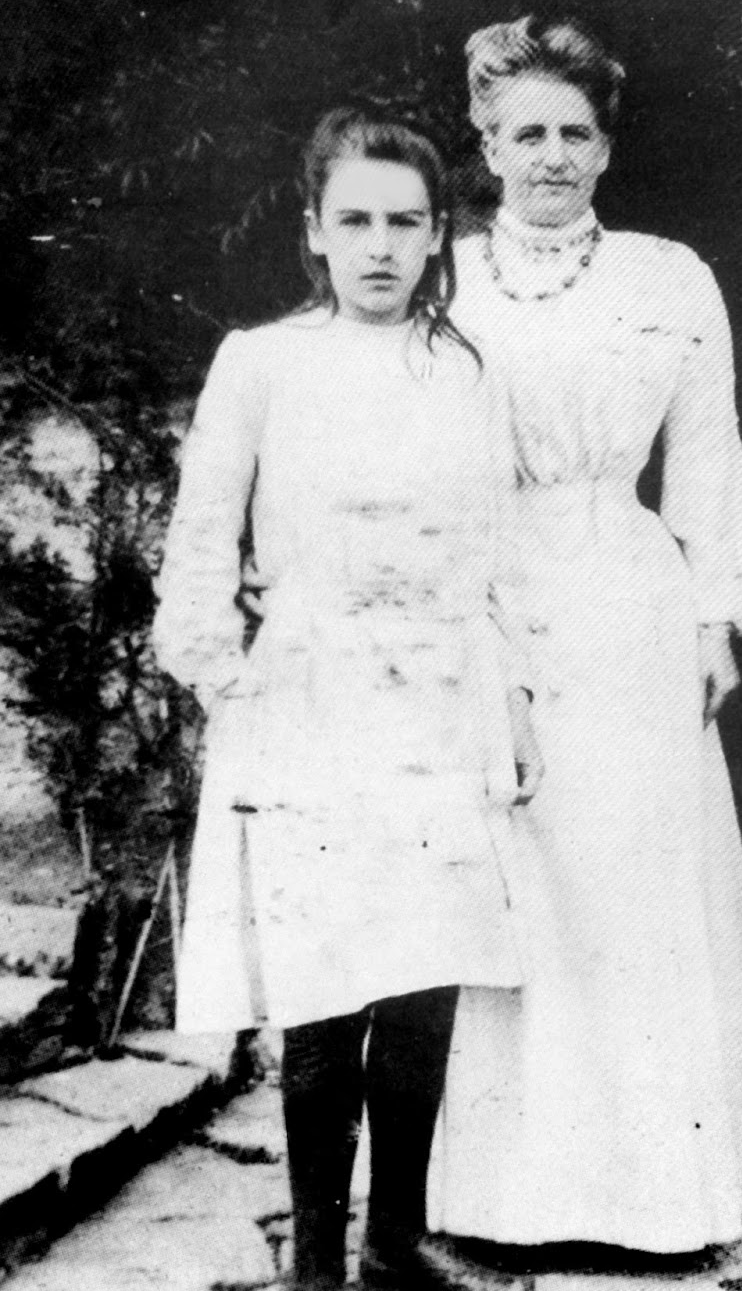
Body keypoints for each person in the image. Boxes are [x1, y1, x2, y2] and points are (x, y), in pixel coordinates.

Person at [152, 108, 536, 1291]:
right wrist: (230, 683)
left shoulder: (467, 371)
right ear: (314, 232)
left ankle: (394, 1242)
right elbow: (201, 543)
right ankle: (317, 1261)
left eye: (404, 223)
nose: (380, 246)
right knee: (324, 996)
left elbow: (496, 556)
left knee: (423, 986)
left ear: (437, 236)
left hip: (439, 704)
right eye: (355, 220)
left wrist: (513, 702)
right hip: (310, 708)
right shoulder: (262, 363)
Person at [425, 14, 742, 1261]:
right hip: (491, 599)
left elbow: (709, 454)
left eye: (575, 133)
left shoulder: (667, 277)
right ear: (485, 144)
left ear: (607, 147)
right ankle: (511, 1200)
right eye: (526, 132)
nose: (552, 156)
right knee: (520, 885)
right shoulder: (442, 280)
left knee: (636, 882)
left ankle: (662, 1197)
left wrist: (716, 615)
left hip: (631, 599)